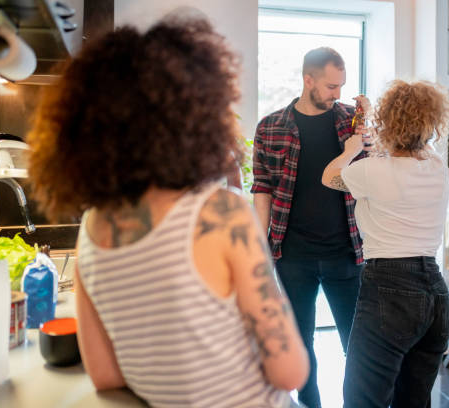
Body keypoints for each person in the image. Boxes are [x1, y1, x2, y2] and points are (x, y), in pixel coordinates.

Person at [26, 14, 309, 408]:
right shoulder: (222, 214)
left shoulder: (92, 228)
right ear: (194, 118)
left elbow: (105, 376)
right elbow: (290, 372)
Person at [322, 79, 449, 408]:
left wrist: (351, 149)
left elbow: (329, 176)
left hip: (389, 289)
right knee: (413, 400)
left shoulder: (371, 170)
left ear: (388, 123)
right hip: (435, 294)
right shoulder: (437, 166)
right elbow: (408, 151)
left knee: (362, 399)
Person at [252, 47, 366, 408]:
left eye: (342, 86)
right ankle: (309, 404)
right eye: (332, 86)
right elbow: (262, 190)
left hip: (347, 253)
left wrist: (369, 128)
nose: (338, 95)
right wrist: (258, 250)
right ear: (308, 80)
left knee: (359, 346)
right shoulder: (270, 127)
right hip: (293, 256)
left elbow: (376, 172)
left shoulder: (352, 122)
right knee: (301, 345)